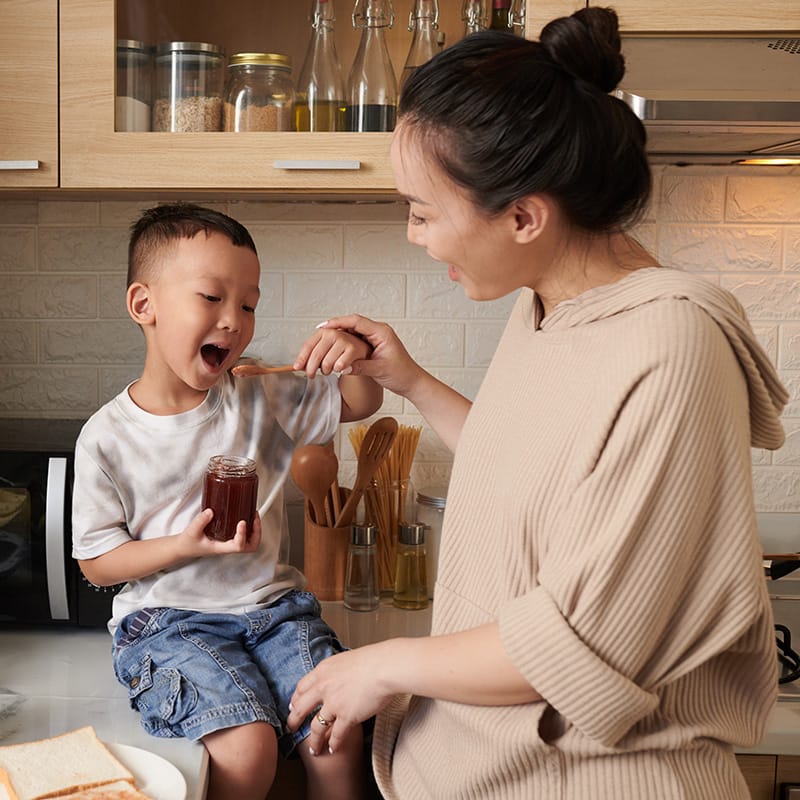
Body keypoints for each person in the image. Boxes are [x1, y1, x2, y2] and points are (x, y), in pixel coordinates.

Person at [286, 10, 789, 799]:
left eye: (422, 212)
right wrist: (412, 381)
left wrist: (380, 664)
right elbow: (525, 468)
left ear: (524, 216)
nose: (414, 235)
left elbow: (573, 646)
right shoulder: (546, 303)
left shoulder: (671, 347)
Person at [71, 203, 382, 800]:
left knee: (335, 729)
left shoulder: (260, 395)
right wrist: (182, 545)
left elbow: (359, 401)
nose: (234, 320)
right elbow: (96, 563)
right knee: (247, 748)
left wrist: (352, 353)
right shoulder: (107, 436)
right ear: (145, 306)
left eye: (247, 304)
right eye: (211, 298)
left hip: (275, 611)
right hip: (168, 622)